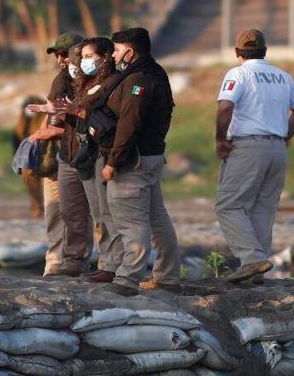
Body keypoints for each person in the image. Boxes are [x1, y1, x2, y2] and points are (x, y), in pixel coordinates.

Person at [215, 29, 294, 283]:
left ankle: (253, 259)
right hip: (277, 149)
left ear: (237, 53)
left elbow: (226, 106)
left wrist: (220, 139)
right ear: (265, 51)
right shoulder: (282, 76)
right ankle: (255, 273)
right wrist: (286, 136)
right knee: (263, 209)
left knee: (229, 205)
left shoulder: (238, 73)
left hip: (248, 147)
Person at [101, 27, 180, 291]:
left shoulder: (139, 80)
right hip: (152, 157)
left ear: (130, 51)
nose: (112, 55)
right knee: (157, 219)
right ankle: (168, 277)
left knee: (130, 219)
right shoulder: (155, 72)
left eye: (116, 49)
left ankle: (127, 279)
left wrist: (113, 161)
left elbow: (129, 124)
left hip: (134, 161)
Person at [27, 34, 93, 277]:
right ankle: (55, 265)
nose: (60, 58)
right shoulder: (60, 80)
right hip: (56, 156)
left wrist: (52, 130)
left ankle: (79, 262)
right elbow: (53, 113)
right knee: (55, 212)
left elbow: (85, 118)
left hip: (80, 154)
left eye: (64, 53)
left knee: (79, 214)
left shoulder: (88, 81)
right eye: (57, 54)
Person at [71, 37, 123, 284]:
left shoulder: (112, 82)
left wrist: (77, 110)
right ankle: (105, 262)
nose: (85, 62)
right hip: (88, 154)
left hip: (104, 152)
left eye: (90, 57)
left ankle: (114, 265)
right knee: (98, 214)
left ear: (105, 57)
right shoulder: (89, 82)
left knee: (108, 212)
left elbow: (96, 111)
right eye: (83, 57)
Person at [13, 96, 47, 218]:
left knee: (47, 185)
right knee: (31, 185)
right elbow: (16, 140)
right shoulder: (21, 123)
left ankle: (47, 208)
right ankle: (36, 207)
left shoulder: (44, 120)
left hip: (44, 157)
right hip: (27, 159)